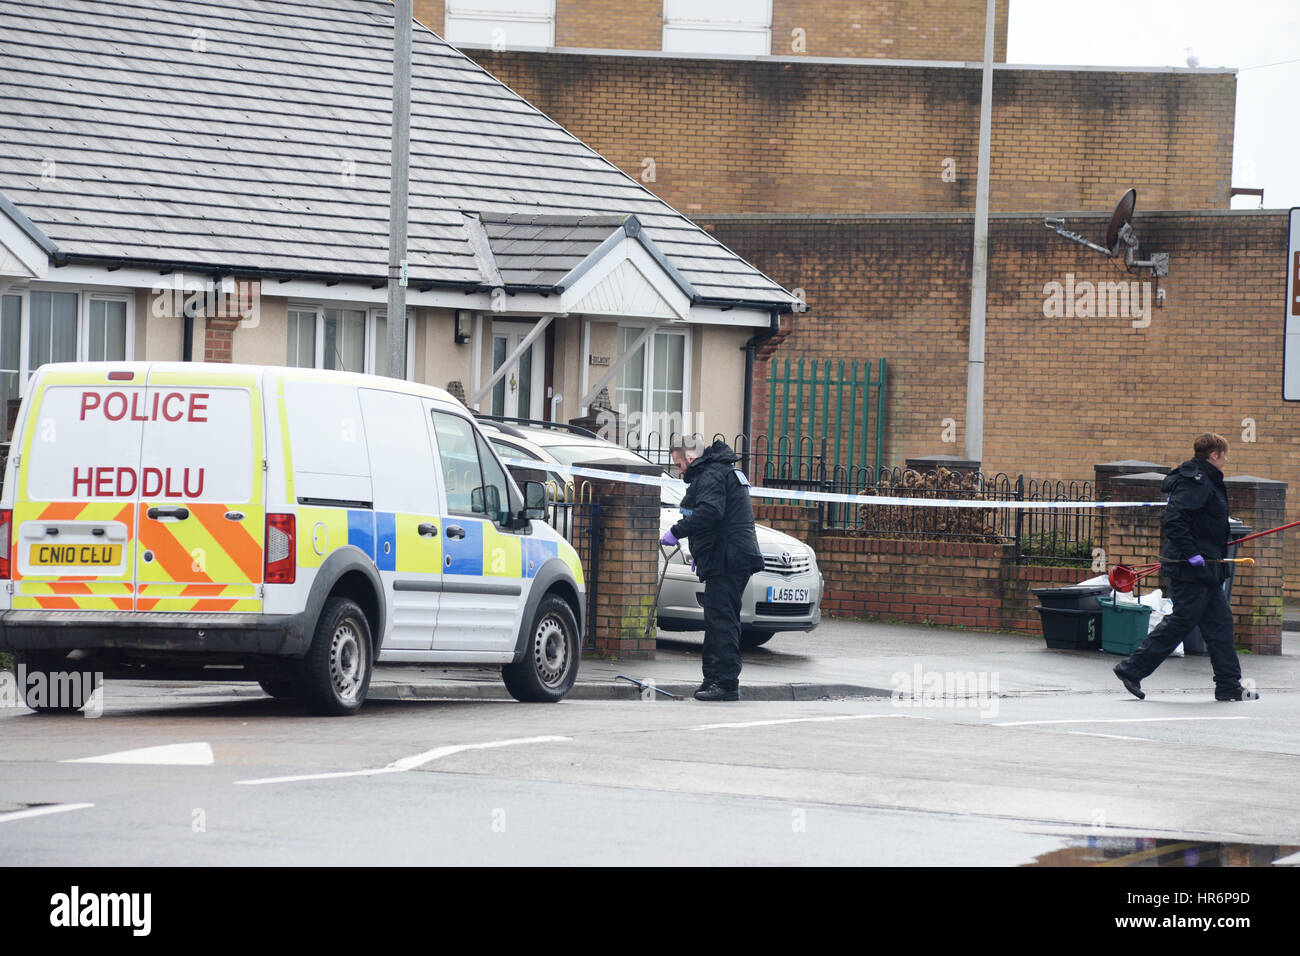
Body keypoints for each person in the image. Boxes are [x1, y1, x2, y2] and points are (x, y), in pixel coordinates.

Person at [1113, 433, 1258, 702]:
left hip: (1207, 568)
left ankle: (1228, 685)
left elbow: (1201, 521)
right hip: (1190, 568)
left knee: (1221, 625)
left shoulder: (1205, 479)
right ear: (1214, 454)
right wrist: (1192, 553)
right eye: (1224, 454)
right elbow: (1174, 519)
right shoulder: (1196, 481)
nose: (1226, 459)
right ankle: (1131, 669)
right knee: (1182, 621)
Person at [661, 437, 764, 701]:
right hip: (726, 556)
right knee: (716, 617)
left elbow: (710, 513)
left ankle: (726, 684)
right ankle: (712, 678)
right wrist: (700, 551)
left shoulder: (711, 475)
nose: (678, 470)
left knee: (722, 619)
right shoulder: (718, 472)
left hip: (728, 558)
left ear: (691, 458)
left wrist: (676, 532)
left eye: (679, 463)